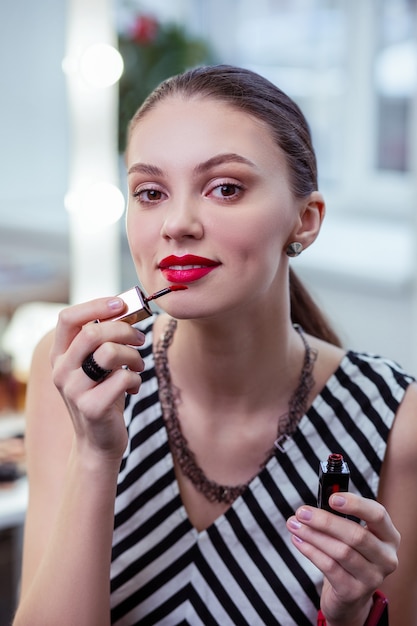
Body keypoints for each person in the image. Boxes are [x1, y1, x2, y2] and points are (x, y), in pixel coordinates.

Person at [13, 65, 417, 626]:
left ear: (305, 219)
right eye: (150, 192)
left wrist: (348, 614)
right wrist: (96, 454)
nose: (177, 224)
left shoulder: (398, 420)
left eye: (225, 187)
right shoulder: (82, 377)